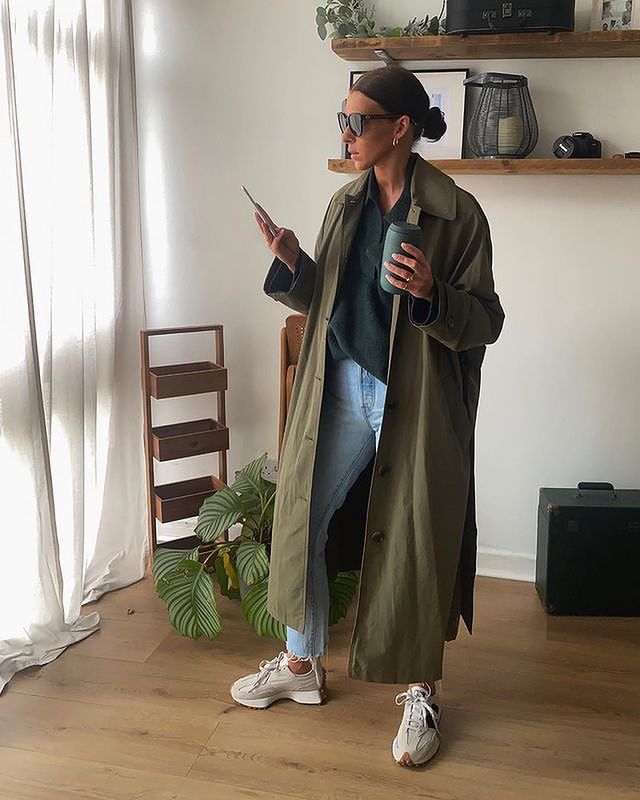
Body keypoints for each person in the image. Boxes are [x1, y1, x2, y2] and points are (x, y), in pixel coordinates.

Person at [230, 65, 505, 768]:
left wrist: (433, 292)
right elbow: (329, 299)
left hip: (413, 396)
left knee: (416, 537)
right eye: (343, 120)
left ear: (400, 129)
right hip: (339, 385)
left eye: (357, 121)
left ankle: (420, 692)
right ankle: (302, 664)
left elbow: (486, 321)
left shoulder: (457, 213)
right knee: (301, 513)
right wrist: (294, 263)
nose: (346, 134)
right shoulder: (344, 204)